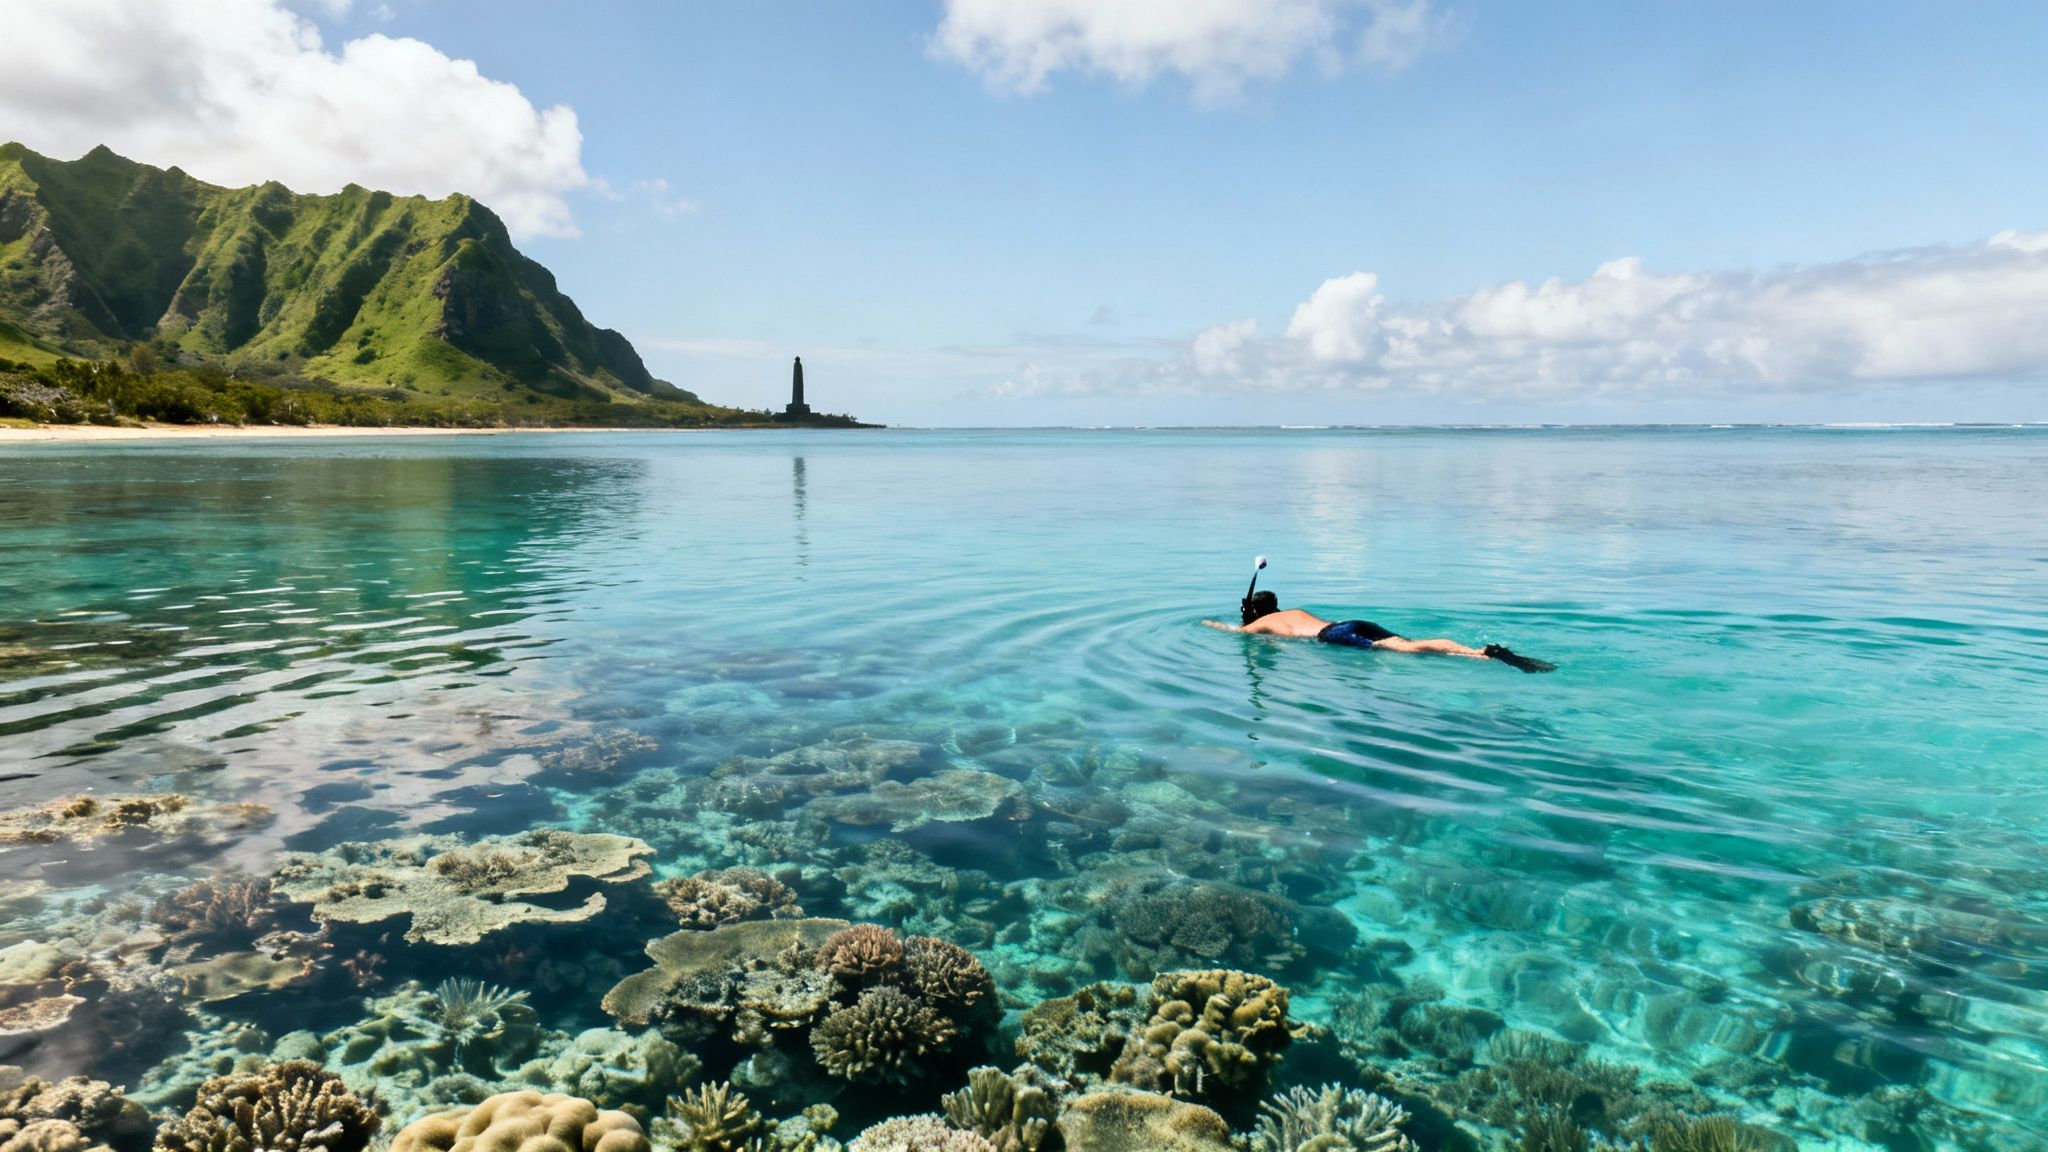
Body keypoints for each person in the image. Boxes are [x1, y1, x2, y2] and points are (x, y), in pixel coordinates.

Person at [1205, 591, 1556, 672]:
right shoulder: (1291, 612)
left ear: (1254, 612)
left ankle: (1481, 655)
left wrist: (1209, 624)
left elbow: (1237, 632)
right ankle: (1474, 650)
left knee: (1404, 651)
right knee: (1409, 643)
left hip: (1333, 637)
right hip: (1348, 622)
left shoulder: (1259, 623)